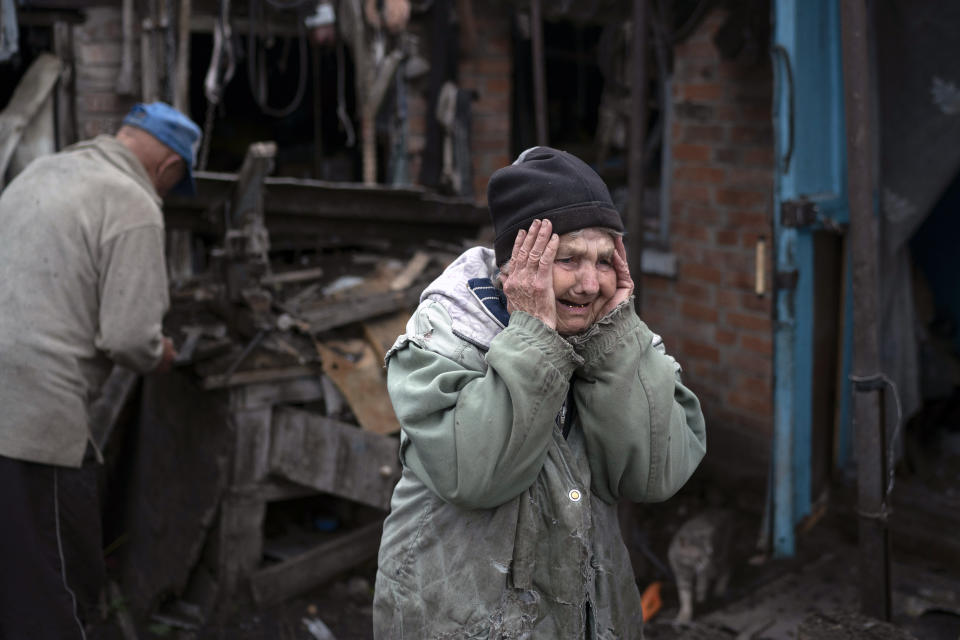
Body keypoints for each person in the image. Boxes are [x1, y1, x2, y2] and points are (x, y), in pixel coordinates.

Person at [373, 146, 707, 639]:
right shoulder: (444, 336)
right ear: (516, 266)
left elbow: (656, 476)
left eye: (603, 260)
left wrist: (616, 342)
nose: (591, 283)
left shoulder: (619, 338)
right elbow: (477, 475)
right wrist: (535, 333)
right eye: (568, 259)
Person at [0, 102, 201, 638]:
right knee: (56, 594)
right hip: (33, 424)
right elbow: (129, 337)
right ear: (170, 168)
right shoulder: (133, 201)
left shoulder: (39, 172)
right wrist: (159, 352)